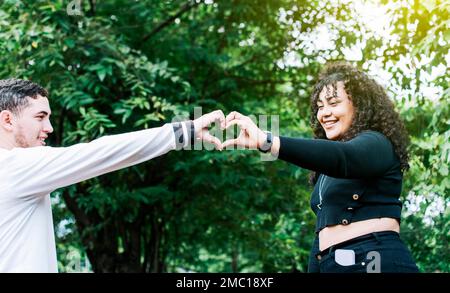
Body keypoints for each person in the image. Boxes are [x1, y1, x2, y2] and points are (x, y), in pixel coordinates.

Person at [0, 78, 225, 273]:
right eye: (40, 117)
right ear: (8, 120)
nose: (49, 127)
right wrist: (185, 132)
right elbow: (98, 153)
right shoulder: (14, 167)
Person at [222, 62, 419, 273]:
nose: (324, 113)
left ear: (360, 105)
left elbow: (343, 157)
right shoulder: (325, 172)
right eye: (320, 106)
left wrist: (266, 141)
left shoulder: (377, 143)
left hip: (374, 260)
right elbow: (322, 236)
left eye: (333, 103)